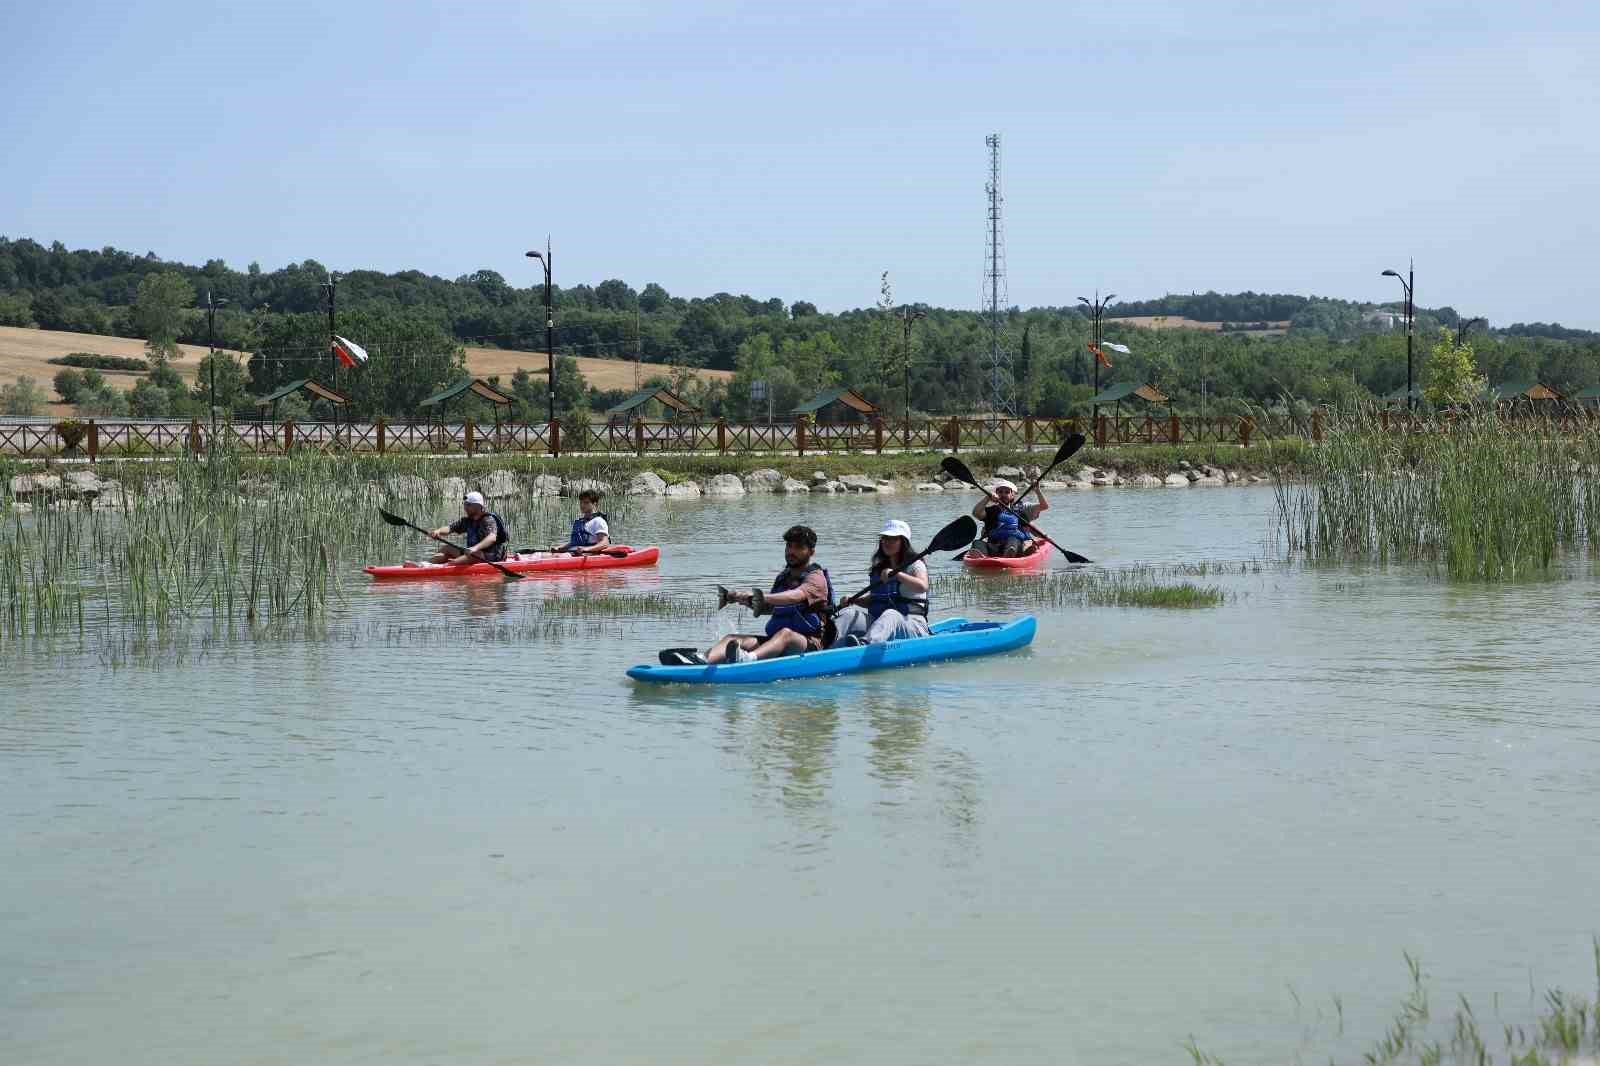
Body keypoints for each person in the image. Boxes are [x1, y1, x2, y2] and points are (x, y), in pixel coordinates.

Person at [669, 525, 832, 665]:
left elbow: (796, 596)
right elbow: (769, 609)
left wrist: (762, 596)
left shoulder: (816, 578)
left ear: (811, 551)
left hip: (810, 644)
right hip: (776, 642)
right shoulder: (783, 577)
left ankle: (748, 660)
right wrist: (746, 600)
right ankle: (702, 660)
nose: (791, 551)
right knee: (733, 638)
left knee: (785, 633)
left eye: (798, 547)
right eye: (789, 546)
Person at [830, 519, 930, 646]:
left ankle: (865, 646)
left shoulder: (915, 565)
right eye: (884, 538)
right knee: (849, 614)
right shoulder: (879, 568)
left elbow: (923, 586)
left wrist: (897, 574)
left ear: (903, 542)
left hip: (913, 625)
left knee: (891, 614)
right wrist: (854, 600)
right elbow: (876, 599)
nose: (886, 542)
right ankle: (825, 645)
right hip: (880, 625)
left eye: (893, 539)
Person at [969, 478, 1049, 557]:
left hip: (1015, 545)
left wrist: (1037, 491)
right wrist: (987, 498)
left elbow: (1044, 506)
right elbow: (976, 513)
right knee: (977, 542)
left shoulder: (1022, 509)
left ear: (1012, 495)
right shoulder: (991, 511)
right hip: (995, 545)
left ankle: (1010, 553)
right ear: (996, 494)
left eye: (1007, 492)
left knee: (1013, 539)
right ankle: (980, 557)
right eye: (1000, 492)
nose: (1003, 495)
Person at [429, 491, 509, 565]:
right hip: (473, 552)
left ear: (478, 506)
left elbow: (492, 538)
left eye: (468, 505)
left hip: (492, 555)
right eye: (465, 504)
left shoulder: (488, 519)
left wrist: (475, 548)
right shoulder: (467, 521)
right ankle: (428, 565)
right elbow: (450, 528)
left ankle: (446, 566)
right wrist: (438, 531)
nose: (465, 507)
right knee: (447, 548)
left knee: (474, 554)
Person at [549, 489, 611, 555]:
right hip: (574, 553)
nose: (582, 505)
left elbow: (605, 543)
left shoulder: (598, 521)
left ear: (594, 504)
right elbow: (575, 543)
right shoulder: (581, 522)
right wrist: (560, 548)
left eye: (586, 503)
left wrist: (586, 549)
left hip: (587, 555)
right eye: (581, 502)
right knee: (541, 555)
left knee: (559, 556)